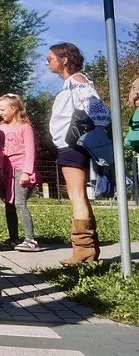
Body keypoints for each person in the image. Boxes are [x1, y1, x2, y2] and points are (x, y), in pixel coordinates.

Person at [48, 42, 107, 264]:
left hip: (73, 145)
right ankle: (87, 249)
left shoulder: (77, 81)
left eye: (50, 58)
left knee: (77, 195)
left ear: (64, 60)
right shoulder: (70, 84)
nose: (47, 63)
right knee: (77, 195)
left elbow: (97, 109)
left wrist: (92, 131)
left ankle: (83, 250)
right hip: (69, 145)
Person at [0, 93, 40, 252]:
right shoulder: (1, 128)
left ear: (14, 108)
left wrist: (27, 172)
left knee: (19, 203)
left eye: (3, 109)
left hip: (22, 169)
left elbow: (30, 150)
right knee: (8, 204)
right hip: (8, 170)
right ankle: (13, 238)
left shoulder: (25, 127)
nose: (0, 113)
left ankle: (30, 240)